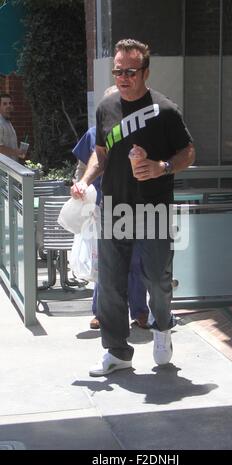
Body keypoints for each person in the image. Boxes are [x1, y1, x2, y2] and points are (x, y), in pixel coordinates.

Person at [71, 38, 195, 376]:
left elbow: (188, 153)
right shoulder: (106, 108)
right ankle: (117, 352)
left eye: (130, 71)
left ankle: (163, 327)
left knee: (157, 278)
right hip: (114, 207)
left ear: (145, 72)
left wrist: (162, 167)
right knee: (110, 283)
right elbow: (101, 153)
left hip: (153, 208)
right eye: (118, 70)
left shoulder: (165, 110)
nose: (123, 77)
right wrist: (85, 179)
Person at [72, 124, 150, 330]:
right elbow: (82, 165)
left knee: (135, 259)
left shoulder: (137, 128)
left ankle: (139, 310)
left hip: (134, 203)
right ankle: (101, 311)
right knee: (104, 261)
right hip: (101, 205)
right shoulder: (93, 133)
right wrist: (81, 188)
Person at [0, 93, 27, 162]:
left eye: (10, 103)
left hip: (10, 167)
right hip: (3, 169)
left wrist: (17, 152)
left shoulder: (6, 121)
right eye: (5, 104)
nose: (8, 106)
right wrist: (17, 152)